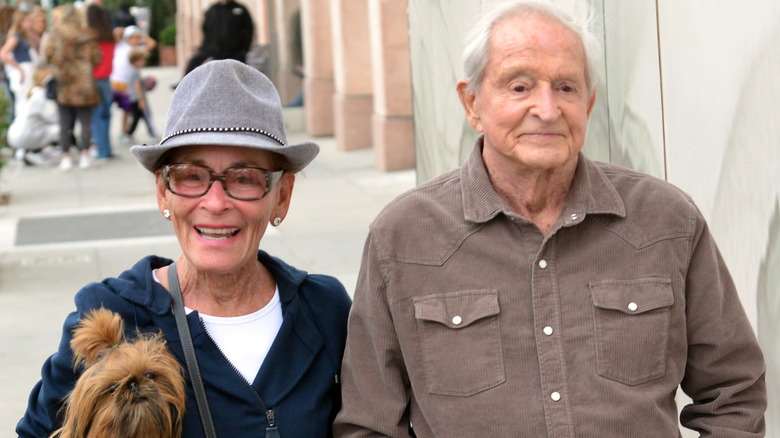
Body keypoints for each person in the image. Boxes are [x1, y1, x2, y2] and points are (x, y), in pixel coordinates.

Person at [333, 1, 767, 437]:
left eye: (565, 87)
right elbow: (369, 424)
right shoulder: (403, 237)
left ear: (589, 103)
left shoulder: (666, 220)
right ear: (472, 103)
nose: (546, 108)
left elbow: (734, 392)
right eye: (519, 87)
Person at [16, 59, 352, 437]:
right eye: (191, 176)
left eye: (245, 178)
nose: (215, 202)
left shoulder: (325, 310)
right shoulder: (111, 316)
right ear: (163, 192)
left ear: (282, 197)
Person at [44, 3, 102, 171]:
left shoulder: (55, 34)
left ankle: (66, 158)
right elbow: (97, 58)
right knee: (85, 122)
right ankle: (85, 155)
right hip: (84, 82)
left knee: (64, 122)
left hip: (64, 82)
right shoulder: (87, 35)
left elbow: (48, 54)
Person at [181, 0, 254, 78]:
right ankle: (183, 83)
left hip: (235, 51)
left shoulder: (240, 9)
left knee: (237, 74)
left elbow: (249, 29)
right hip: (214, 49)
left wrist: (245, 49)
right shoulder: (213, 10)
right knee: (194, 61)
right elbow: (206, 29)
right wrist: (204, 46)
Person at [6, 67, 61, 166]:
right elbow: (53, 117)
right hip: (23, 136)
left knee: (42, 127)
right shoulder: (40, 95)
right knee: (60, 128)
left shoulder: (32, 92)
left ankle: (33, 150)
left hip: (15, 134)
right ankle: (36, 151)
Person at [110, 24, 155, 142]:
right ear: (126, 38)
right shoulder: (121, 46)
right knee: (106, 110)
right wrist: (126, 30)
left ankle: (123, 132)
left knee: (127, 110)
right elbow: (115, 32)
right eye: (132, 38)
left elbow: (151, 44)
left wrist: (141, 36)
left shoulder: (137, 51)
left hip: (126, 85)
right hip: (114, 82)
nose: (135, 40)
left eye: (137, 38)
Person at [0, 7, 45, 118]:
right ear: (21, 22)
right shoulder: (16, 36)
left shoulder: (25, 36)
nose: (30, 23)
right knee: (23, 101)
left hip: (29, 70)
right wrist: (19, 68)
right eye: (28, 21)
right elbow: (3, 54)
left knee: (28, 100)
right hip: (23, 70)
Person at [85, 2, 117, 161]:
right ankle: (107, 149)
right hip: (106, 78)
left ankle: (102, 151)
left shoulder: (90, 38)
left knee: (97, 117)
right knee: (106, 115)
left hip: (92, 79)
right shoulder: (109, 36)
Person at [123, 49, 157, 141]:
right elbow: (136, 87)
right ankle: (152, 133)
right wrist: (141, 100)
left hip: (132, 98)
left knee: (137, 117)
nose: (144, 62)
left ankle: (128, 134)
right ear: (135, 61)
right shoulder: (135, 72)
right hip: (137, 98)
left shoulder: (131, 70)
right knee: (145, 115)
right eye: (142, 60)